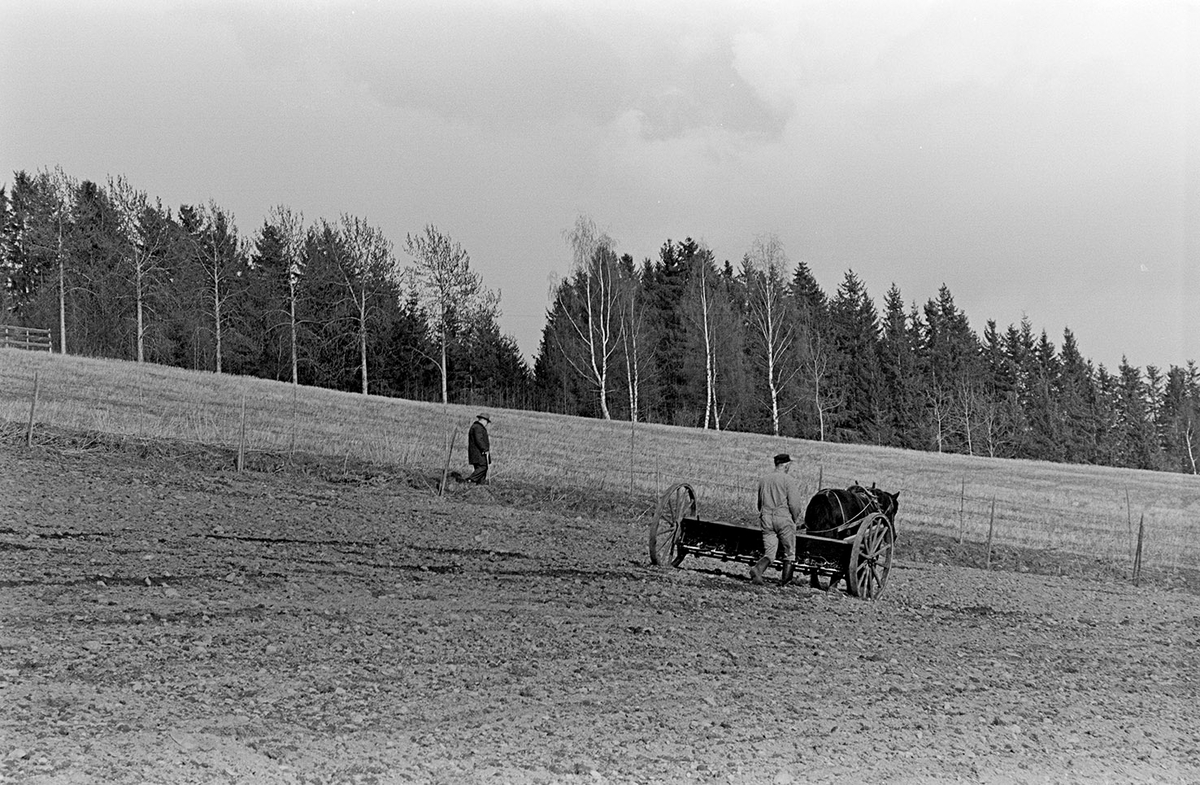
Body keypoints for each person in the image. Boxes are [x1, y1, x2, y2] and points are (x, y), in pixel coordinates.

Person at [750, 452, 804, 586]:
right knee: (789, 552)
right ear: (786, 465)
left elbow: (759, 503)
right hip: (784, 519)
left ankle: (758, 569)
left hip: (766, 518)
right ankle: (785, 582)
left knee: (770, 552)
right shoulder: (788, 480)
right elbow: (794, 504)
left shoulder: (764, 479)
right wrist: (794, 519)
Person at [466, 413, 491, 484]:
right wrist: (484, 449)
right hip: (478, 452)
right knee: (483, 466)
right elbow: (479, 439)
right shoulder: (478, 427)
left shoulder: (476, 427)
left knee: (480, 468)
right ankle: (470, 480)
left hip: (477, 452)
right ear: (483, 420)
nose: (487, 424)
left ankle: (480, 484)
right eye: (487, 422)